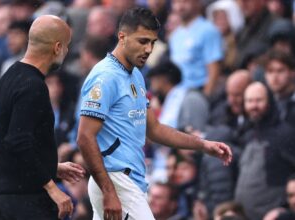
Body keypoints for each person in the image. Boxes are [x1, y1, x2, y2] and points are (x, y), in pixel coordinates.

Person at [77, 7, 232, 220]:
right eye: (142, 41)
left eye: (152, 42)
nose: (149, 49)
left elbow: (155, 129)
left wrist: (203, 145)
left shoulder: (136, 76)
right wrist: (109, 190)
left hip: (127, 181)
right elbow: (85, 137)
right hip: (116, 180)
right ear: (122, 37)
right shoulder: (105, 77)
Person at [0, 15, 85, 220]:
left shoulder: (9, 76)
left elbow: (4, 143)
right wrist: (52, 188)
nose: (67, 52)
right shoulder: (33, 86)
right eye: (67, 46)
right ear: (57, 47)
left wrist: (51, 166)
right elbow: (18, 142)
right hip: (26, 201)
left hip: (6, 195)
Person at [235, 82, 295, 220]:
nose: (253, 106)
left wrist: (284, 209)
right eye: (249, 101)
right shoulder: (247, 134)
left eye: (259, 100)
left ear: (269, 102)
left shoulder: (285, 134)